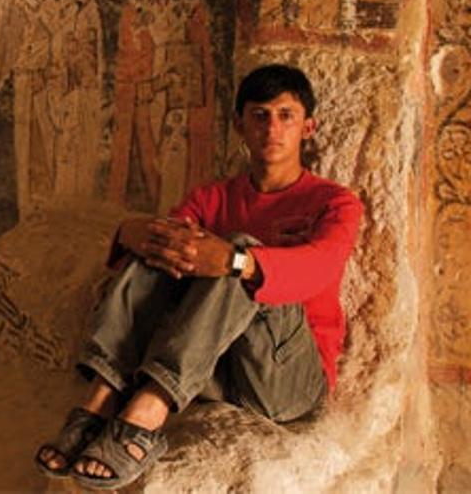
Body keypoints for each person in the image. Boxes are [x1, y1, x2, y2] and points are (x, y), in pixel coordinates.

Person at [33, 64, 363, 489]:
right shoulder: (213, 197)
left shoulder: (333, 201)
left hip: (285, 382)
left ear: (309, 127)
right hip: (218, 371)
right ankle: (102, 394)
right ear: (238, 125)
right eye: (259, 115)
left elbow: (320, 267)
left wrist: (236, 260)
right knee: (166, 241)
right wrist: (131, 233)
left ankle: (150, 407)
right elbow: (155, 261)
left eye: (286, 115)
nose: (272, 128)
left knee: (239, 251)